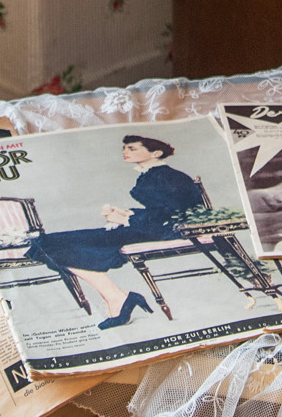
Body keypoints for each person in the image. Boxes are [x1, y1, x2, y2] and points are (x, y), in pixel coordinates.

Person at [25, 133, 206, 328]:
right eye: (124, 148)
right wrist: (125, 214)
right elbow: (159, 211)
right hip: (146, 229)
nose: (125, 152)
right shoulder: (152, 175)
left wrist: (127, 218)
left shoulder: (168, 176)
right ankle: (117, 296)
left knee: (51, 245)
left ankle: (117, 298)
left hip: (167, 232)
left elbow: (176, 217)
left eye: (132, 148)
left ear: (157, 153)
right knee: (45, 243)